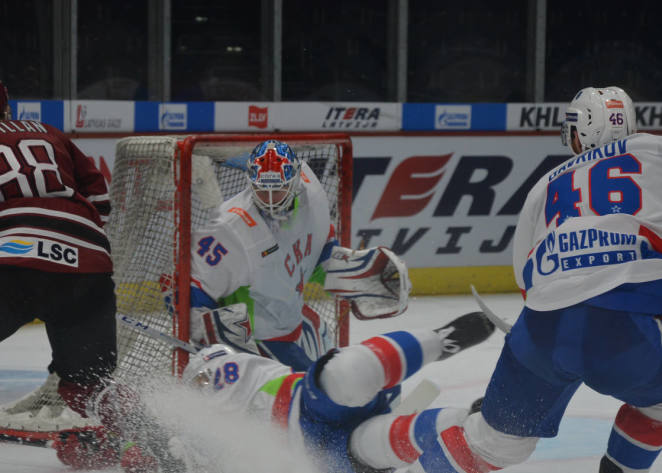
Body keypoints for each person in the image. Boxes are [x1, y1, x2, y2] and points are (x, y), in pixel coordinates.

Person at [408, 86, 662, 473]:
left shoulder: (543, 187)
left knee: (494, 446)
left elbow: (528, 283)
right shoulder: (654, 151)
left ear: (581, 132)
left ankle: (389, 441)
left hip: (542, 330)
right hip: (626, 328)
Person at [52, 310, 496, 473]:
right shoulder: (170, 425)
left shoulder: (208, 371)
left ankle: (442, 339)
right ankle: (478, 426)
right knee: (391, 444)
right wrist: (104, 447)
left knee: (349, 374)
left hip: (304, 404)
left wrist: (106, 443)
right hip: (331, 459)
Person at [0, 70, 118, 435]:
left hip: (15, 260)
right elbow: (100, 200)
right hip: (89, 262)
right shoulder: (50, 133)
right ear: (7, 108)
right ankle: (126, 434)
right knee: (87, 385)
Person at [189, 139, 411, 371]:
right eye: (264, 190)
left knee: (337, 367)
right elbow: (188, 286)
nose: (272, 198)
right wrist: (207, 334)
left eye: (279, 188)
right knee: (318, 395)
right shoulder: (230, 230)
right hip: (257, 342)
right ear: (251, 183)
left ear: (295, 179)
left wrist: (341, 267)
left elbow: (312, 249)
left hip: (291, 319)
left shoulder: (310, 191)